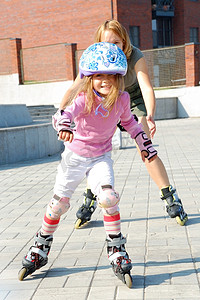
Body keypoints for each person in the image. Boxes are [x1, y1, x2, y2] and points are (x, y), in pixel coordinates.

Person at [18, 42, 158, 287]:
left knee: (108, 198)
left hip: (100, 157)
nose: (104, 81)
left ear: (119, 77)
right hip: (74, 158)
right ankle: (41, 245)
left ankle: (116, 248)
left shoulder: (122, 99)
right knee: (58, 205)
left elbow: (132, 124)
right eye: (98, 76)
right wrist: (64, 127)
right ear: (89, 78)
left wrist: (144, 143)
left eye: (110, 76)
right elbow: (65, 114)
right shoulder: (84, 99)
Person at [60, 20, 188, 227]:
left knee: (145, 147)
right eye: (106, 43)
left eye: (116, 43)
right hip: (103, 99)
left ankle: (169, 196)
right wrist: (61, 113)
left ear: (125, 42)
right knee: (93, 150)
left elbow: (146, 87)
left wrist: (150, 115)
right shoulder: (94, 57)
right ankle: (90, 198)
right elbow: (76, 86)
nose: (112, 47)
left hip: (132, 99)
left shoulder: (135, 55)